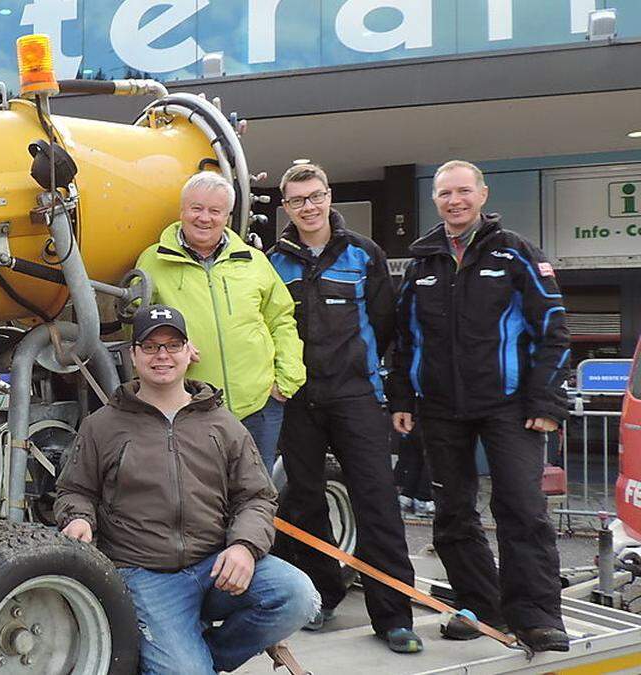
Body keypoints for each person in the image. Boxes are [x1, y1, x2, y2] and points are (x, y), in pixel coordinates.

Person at [56, 304, 319, 674]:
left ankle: (209, 658)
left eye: (172, 345)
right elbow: (74, 490)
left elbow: (257, 497)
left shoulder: (223, 424)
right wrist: (79, 518)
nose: (162, 355)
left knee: (298, 595)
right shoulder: (103, 426)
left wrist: (243, 546)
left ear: (188, 352)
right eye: (150, 347)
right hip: (143, 575)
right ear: (133, 355)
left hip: (215, 564)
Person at [388, 160, 571, 652]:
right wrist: (403, 398)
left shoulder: (515, 253)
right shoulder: (422, 263)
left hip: (510, 408)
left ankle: (535, 616)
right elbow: (404, 340)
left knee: (521, 508)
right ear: (436, 200)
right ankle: (479, 607)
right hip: (440, 408)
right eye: (446, 193)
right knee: (451, 512)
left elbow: (553, 328)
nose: (455, 201)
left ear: (483, 195)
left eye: (464, 192)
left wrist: (545, 400)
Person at [267, 164, 420, 652]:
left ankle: (394, 616)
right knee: (303, 503)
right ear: (285, 208)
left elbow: (386, 327)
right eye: (297, 200)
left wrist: (392, 393)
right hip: (298, 402)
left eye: (315, 197)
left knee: (377, 505)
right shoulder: (273, 261)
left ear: (329, 196)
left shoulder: (364, 254)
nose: (308, 207)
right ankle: (323, 594)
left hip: (356, 399)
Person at [135, 172, 305, 471]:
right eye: (197, 208)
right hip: (190, 406)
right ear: (182, 211)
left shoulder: (254, 261)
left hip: (259, 407)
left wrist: (285, 382)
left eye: (215, 211)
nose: (205, 218)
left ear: (227, 216)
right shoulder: (153, 260)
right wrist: (168, 346)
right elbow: (137, 324)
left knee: (255, 499)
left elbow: (282, 320)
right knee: (198, 499)